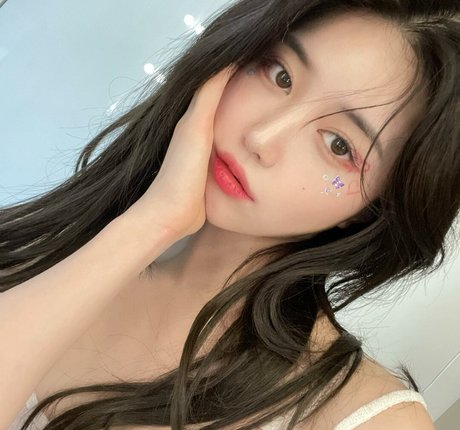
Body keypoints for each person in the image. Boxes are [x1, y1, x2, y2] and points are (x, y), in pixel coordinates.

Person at [1, 0, 458, 429]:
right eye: (279, 75)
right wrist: (151, 223)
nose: (261, 137)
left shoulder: (365, 418)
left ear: (373, 210)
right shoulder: (54, 243)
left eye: (339, 145)